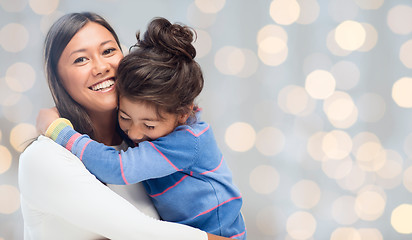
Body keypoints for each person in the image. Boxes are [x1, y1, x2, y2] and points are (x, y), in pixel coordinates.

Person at [18, 12, 233, 240]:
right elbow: (139, 232)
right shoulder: (44, 157)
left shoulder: (141, 144)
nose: (100, 67)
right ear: (57, 78)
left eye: (108, 51)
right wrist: (58, 131)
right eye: (81, 59)